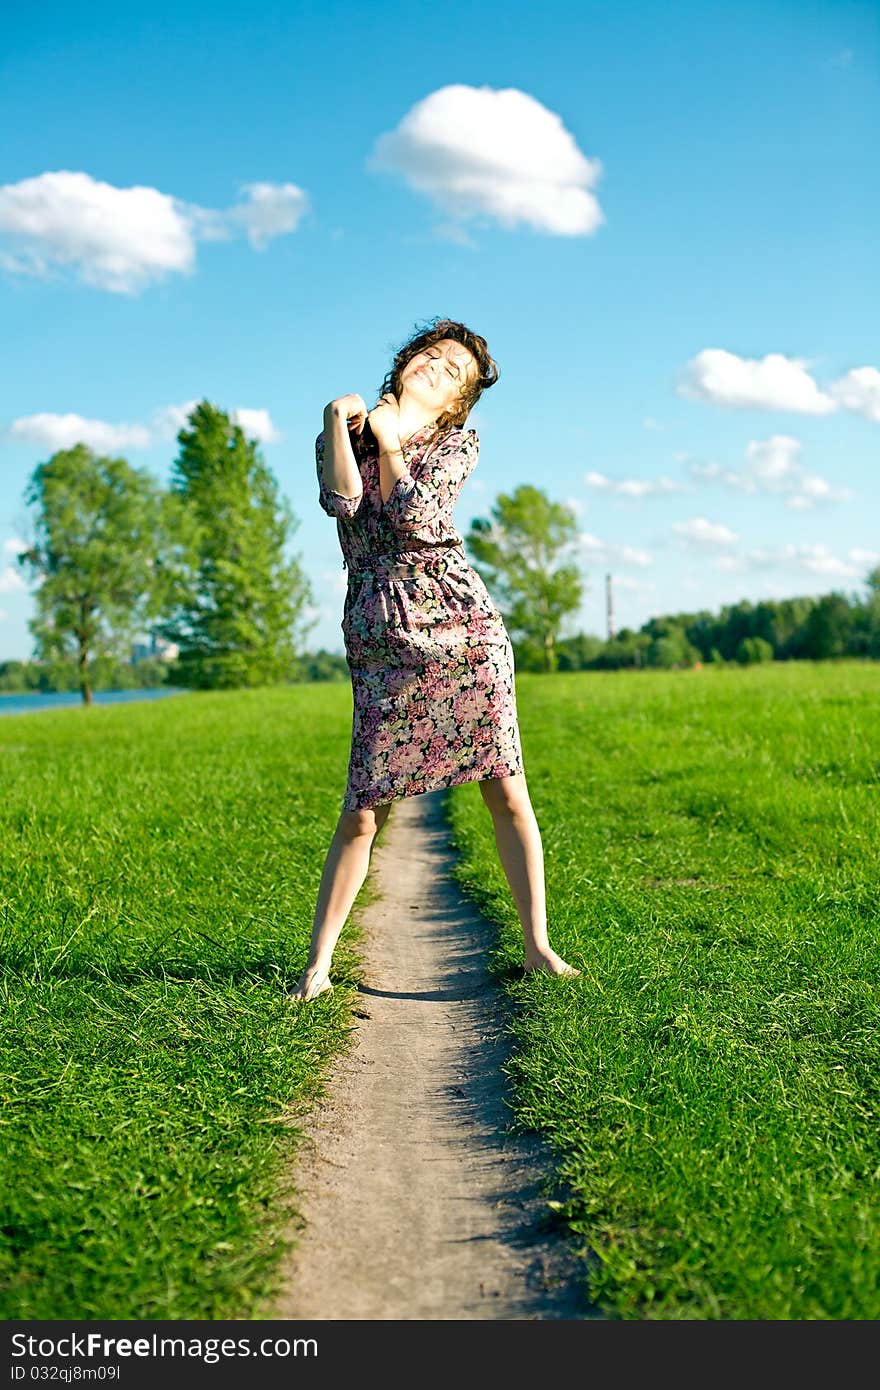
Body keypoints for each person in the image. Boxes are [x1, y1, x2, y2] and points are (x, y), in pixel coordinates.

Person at [289, 317, 580, 1001]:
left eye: (456, 372)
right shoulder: (347, 429)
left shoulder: (457, 444)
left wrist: (393, 446)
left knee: (506, 789)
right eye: (433, 355)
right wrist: (342, 419)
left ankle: (538, 947)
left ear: (458, 402)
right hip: (382, 630)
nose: (439, 368)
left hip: (462, 627)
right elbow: (342, 502)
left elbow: (420, 522)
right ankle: (317, 967)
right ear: (405, 360)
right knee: (365, 808)